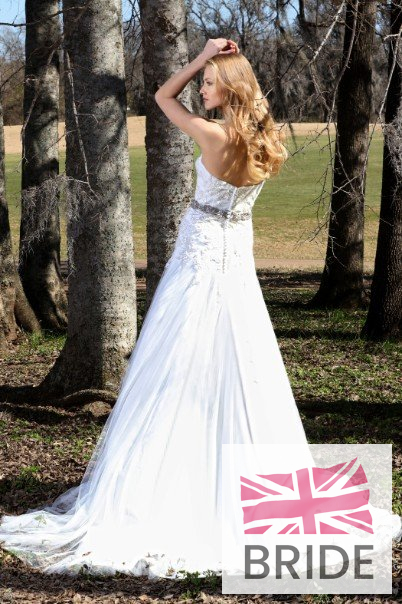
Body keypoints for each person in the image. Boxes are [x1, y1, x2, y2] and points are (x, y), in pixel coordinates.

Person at [1, 38, 396, 582]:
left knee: (177, 364)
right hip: (235, 258)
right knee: (240, 361)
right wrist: (214, 62)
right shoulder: (264, 139)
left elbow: (162, 97)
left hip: (202, 254)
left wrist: (197, 56)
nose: (202, 90)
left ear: (229, 89)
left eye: (209, 83)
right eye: (202, 81)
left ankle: (172, 487)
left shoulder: (213, 135)